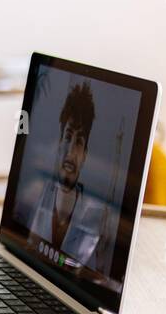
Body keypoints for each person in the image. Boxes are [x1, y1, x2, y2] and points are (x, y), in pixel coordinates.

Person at [19, 79, 114, 272]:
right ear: (59, 141)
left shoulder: (97, 214)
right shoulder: (33, 194)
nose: (71, 150)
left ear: (85, 154)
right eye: (68, 137)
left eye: (79, 142)